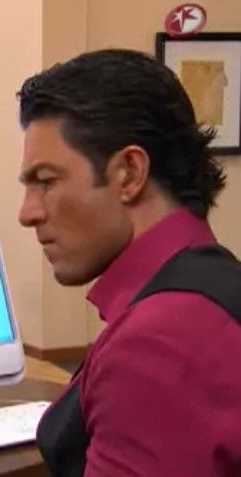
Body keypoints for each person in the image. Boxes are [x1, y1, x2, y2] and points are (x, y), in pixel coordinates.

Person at [17, 49, 241, 476]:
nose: (26, 213)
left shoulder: (157, 342)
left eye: (46, 182)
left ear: (130, 173)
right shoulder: (212, 288)